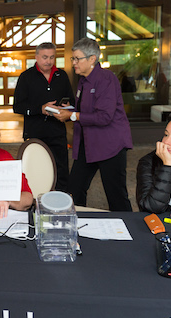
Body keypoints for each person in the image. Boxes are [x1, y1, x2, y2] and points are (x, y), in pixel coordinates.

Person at [51, 38, 133, 211]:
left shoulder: (106, 79)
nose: (73, 63)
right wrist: (71, 109)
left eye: (77, 59)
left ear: (92, 59)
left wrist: (72, 115)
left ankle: (129, 233)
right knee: (75, 189)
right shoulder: (83, 80)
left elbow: (104, 117)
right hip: (88, 145)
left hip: (110, 145)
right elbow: (88, 109)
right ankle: (79, 223)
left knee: (116, 195)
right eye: (73, 59)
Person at [13, 42, 75, 192]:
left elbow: (72, 102)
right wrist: (40, 109)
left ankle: (61, 203)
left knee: (61, 172)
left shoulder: (62, 76)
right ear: (36, 57)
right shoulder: (26, 77)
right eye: (45, 57)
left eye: (52, 57)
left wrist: (65, 108)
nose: (48, 61)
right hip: (35, 133)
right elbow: (17, 107)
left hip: (57, 132)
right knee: (36, 171)